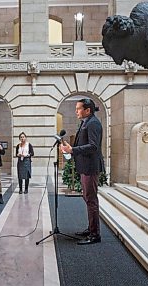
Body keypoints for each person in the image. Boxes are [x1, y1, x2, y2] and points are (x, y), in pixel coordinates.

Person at [61, 98, 104, 245]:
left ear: (87, 110)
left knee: (91, 200)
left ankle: (95, 235)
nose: (76, 111)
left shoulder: (93, 123)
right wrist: (70, 149)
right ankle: (91, 229)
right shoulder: (86, 122)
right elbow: (83, 144)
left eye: (79, 108)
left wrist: (73, 149)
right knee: (87, 198)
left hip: (90, 167)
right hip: (85, 166)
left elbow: (93, 146)